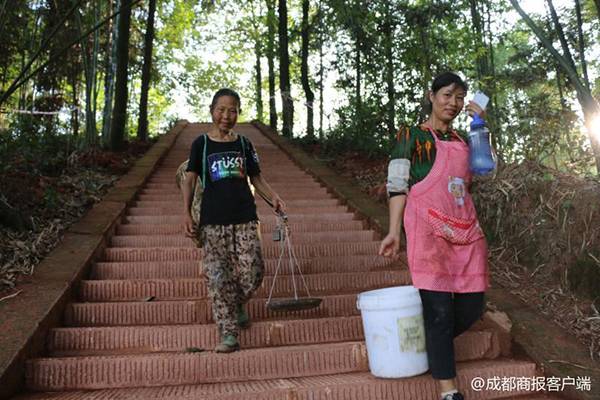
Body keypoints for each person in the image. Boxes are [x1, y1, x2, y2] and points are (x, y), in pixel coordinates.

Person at [378, 72, 490, 400]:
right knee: (440, 311)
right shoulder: (411, 136)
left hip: (466, 231)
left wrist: (481, 127)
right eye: (447, 95)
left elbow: (485, 167)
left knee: (472, 306)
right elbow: (397, 185)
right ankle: (448, 390)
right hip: (428, 232)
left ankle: (429, 343)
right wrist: (393, 231)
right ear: (431, 96)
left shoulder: (463, 141)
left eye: (459, 98)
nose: (453, 103)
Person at [182, 88, 285, 353]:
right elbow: (190, 178)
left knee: (254, 271)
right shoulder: (201, 144)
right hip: (212, 221)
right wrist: (186, 214)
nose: (226, 115)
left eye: (232, 110)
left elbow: (256, 178)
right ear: (212, 110)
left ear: (238, 113)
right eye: (221, 109)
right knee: (218, 278)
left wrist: (272, 197)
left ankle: (236, 303)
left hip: (245, 219)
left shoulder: (244, 144)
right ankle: (228, 333)